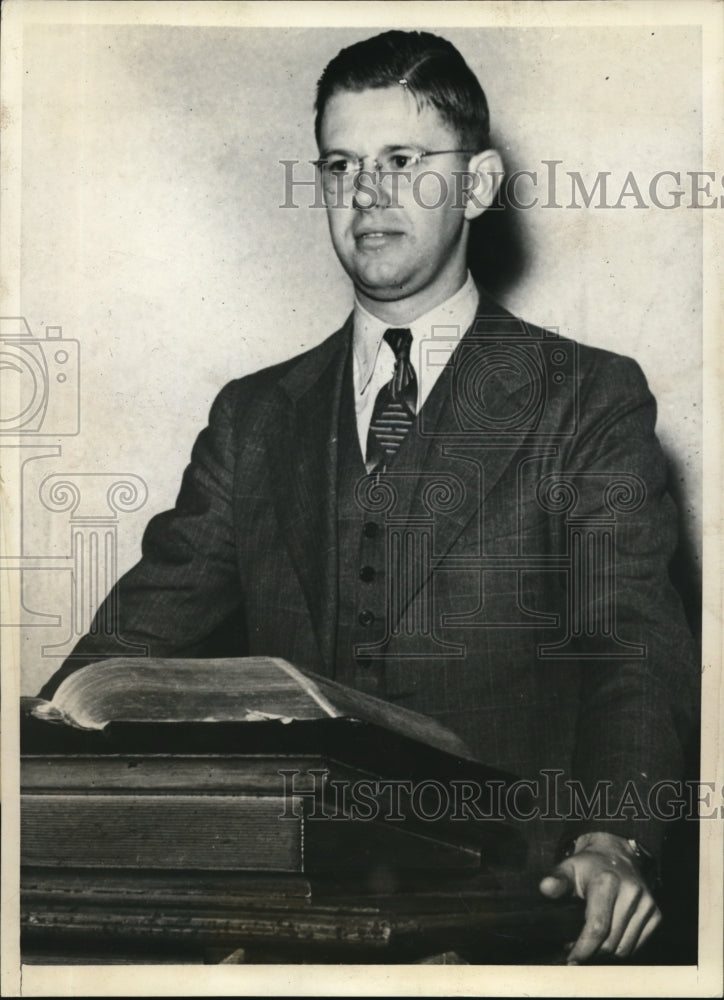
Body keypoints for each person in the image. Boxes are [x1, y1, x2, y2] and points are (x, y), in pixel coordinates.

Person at [38, 30, 698, 964]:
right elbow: (124, 655)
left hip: (516, 912)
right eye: (342, 164)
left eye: (402, 160)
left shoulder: (586, 397)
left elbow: (633, 649)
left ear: (475, 185)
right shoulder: (255, 416)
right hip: (291, 920)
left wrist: (609, 840)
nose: (368, 193)